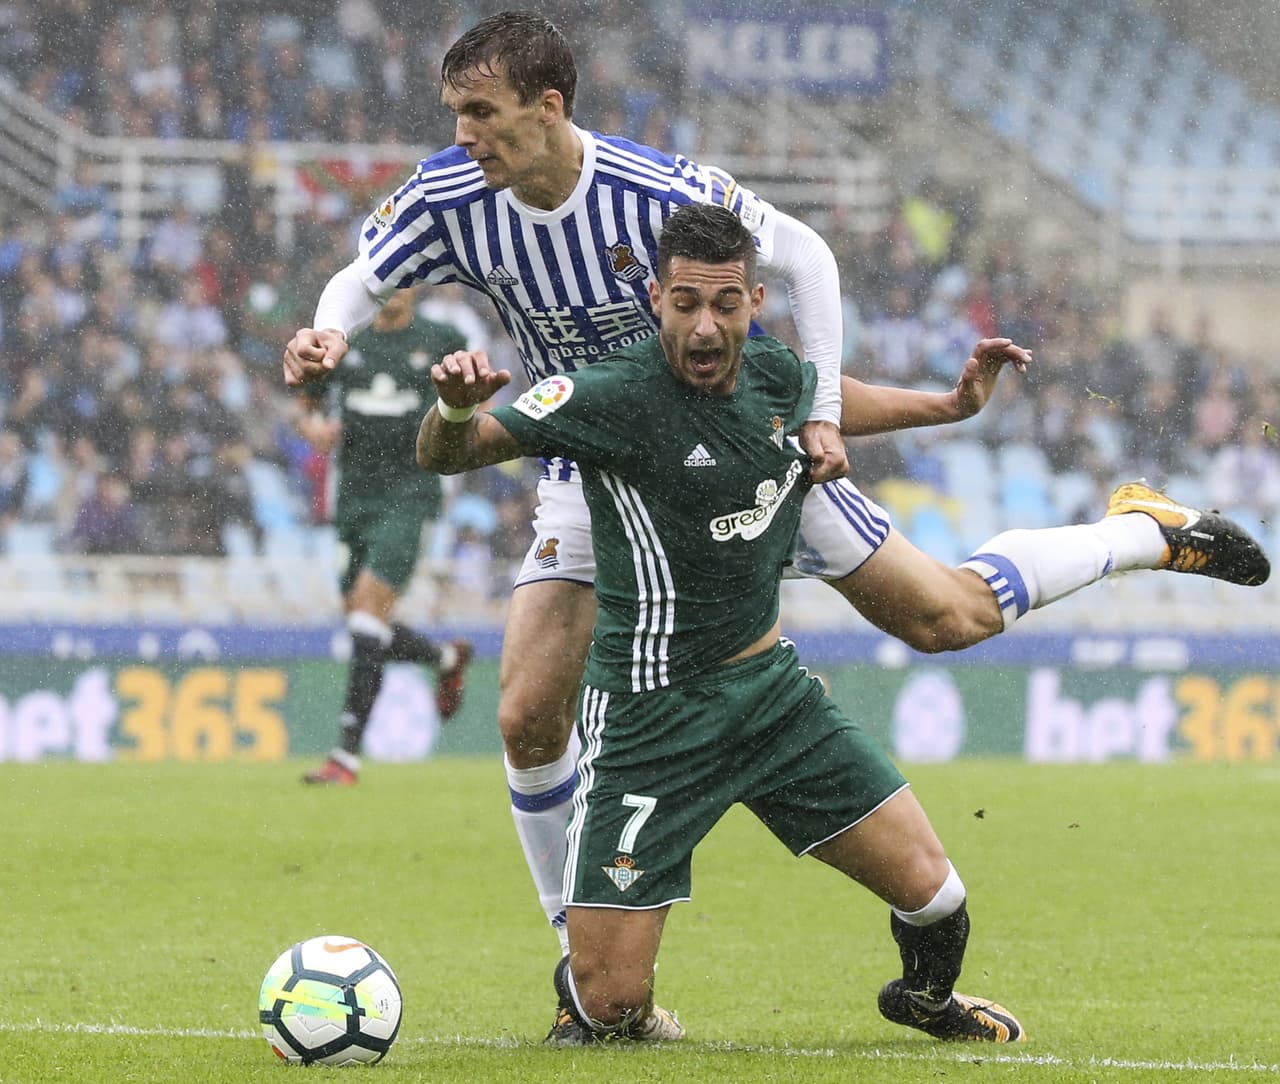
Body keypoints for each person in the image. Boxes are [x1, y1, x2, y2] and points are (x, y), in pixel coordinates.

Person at [281, 9, 1267, 1006]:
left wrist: (828, 412)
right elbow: (359, 281)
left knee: (945, 616)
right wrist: (325, 334)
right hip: (595, 463)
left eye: (479, 113)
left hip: (743, 452)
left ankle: (1138, 529)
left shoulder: (652, 192)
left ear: (548, 107)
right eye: (454, 113)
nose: (461, 135)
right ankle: (572, 953)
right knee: (529, 714)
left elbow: (805, 258)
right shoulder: (454, 195)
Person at [414, 204, 1268, 1043]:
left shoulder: (779, 374)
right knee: (607, 1006)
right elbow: (456, 449)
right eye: (685, 305)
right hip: (650, 720)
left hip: (769, 700)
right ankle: (605, 983)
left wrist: (948, 407)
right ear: (656, 303)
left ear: (754, 301)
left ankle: (926, 1003)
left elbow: (830, 395)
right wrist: (453, 411)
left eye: (725, 304)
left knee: (938, 900)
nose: (705, 328)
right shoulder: (609, 395)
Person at [296, 287, 475, 786]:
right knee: (361, 621)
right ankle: (444, 658)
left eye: (405, 277)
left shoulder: (442, 339)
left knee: (370, 609)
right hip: (353, 497)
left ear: (418, 284)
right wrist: (311, 426)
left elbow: (478, 398)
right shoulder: (345, 341)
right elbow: (306, 401)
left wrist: (456, 433)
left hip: (410, 492)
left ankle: (345, 756)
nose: (395, 286)